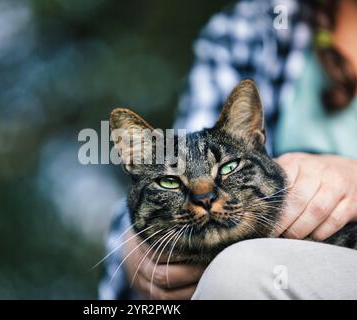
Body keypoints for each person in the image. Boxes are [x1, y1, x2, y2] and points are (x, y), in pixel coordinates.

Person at [99, 0, 357, 299]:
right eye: (173, 181)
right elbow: (185, 148)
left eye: (227, 169)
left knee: (238, 273)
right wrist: (133, 249)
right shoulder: (249, 25)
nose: (204, 196)